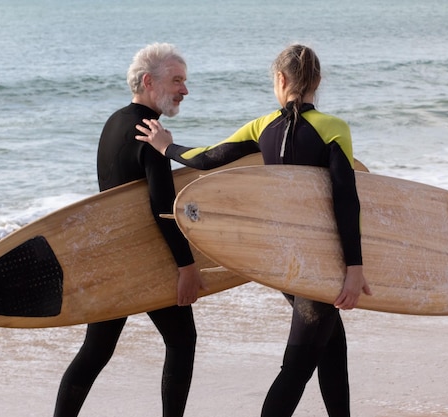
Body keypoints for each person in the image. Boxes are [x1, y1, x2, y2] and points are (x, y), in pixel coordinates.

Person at [135, 44, 372, 417]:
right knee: (296, 367)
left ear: (280, 80)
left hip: (281, 263)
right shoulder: (333, 129)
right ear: (318, 81)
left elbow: (210, 158)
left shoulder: (263, 127)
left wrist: (167, 147)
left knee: (332, 350)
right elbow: (346, 199)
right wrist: (355, 269)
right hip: (321, 263)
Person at [53, 43, 204, 417]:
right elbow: (162, 209)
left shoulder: (114, 123)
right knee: (182, 340)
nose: (184, 89)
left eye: (184, 81)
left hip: (111, 258)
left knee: (96, 351)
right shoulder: (149, 132)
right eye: (177, 80)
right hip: (144, 262)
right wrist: (186, 267)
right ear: (149, 82)